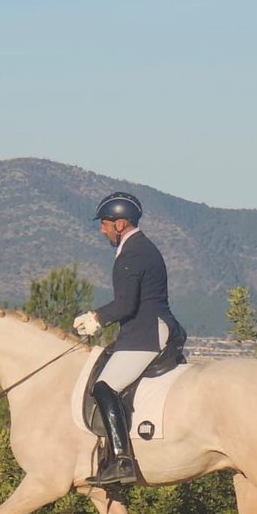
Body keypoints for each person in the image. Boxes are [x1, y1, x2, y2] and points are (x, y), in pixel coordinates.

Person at [73, 191, 185, 486]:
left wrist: (94, 319)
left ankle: (122, 460)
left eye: (105, 223)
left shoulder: (133, 254)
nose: (102, 229)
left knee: (103, 386)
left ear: (120, 224)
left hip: (146, 333)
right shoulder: (138, 248)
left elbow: (126, 305)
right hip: (142, 329)